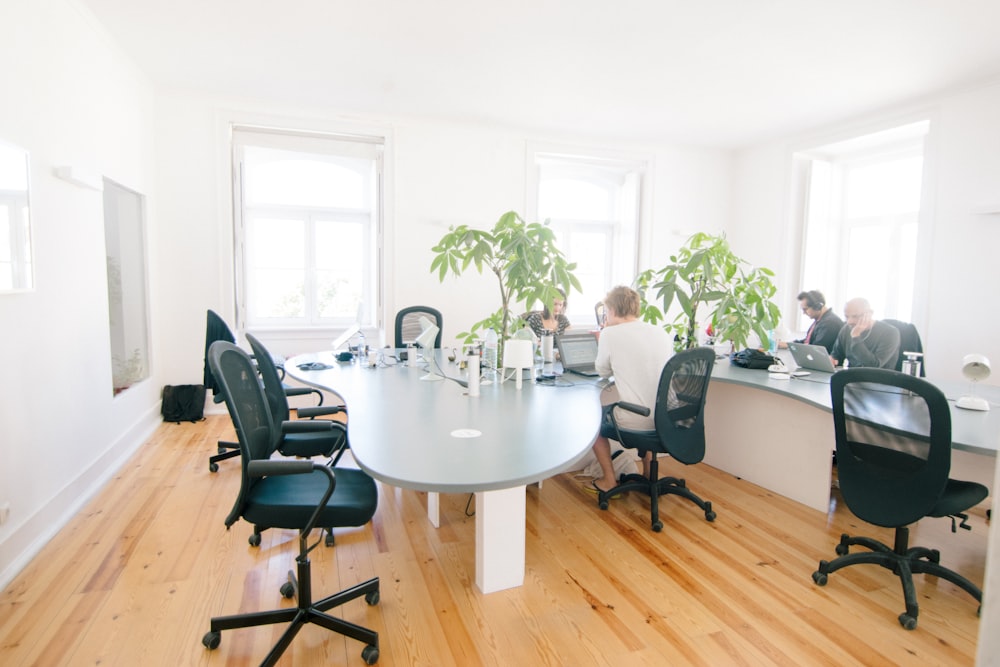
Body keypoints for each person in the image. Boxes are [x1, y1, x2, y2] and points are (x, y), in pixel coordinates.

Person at [589, 286, 674, 494]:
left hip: (638, 420)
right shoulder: (660, 331)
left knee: (593, 424)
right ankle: (647, 472)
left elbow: (602, 370)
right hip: (668, 418)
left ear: (611, 310)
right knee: (646, 399)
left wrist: (605, 336)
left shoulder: (610, 333)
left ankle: (609, 480)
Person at [830, 297, 900, 369]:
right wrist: (832, 361)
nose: (849, 321)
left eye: (855, 316)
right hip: (852, 377)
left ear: (870, 314)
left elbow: (874, 366)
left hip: (877, 378)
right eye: (846, 317)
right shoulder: (846, 329)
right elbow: (836, 356)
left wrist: (856, 337)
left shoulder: (890, 333)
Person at [778, 289, 843, 353]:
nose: (803, 313)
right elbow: (808, 342)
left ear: (817, 306)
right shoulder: (820, 320)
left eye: (805, 309)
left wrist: (791, 346)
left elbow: (815, 349)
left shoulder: (830, 323)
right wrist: (788, 344)